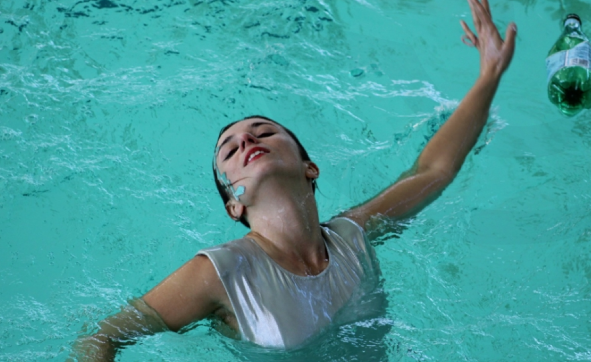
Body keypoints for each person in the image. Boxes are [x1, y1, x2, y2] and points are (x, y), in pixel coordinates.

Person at [71, 0, 516, 359]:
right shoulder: (219, 274)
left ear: (310, 168)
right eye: (230, 149)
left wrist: (489, 75)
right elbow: (101, 336)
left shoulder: (353, 236)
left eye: (263, 132)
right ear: (234, 204)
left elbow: (434, 171)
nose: (247, 140)